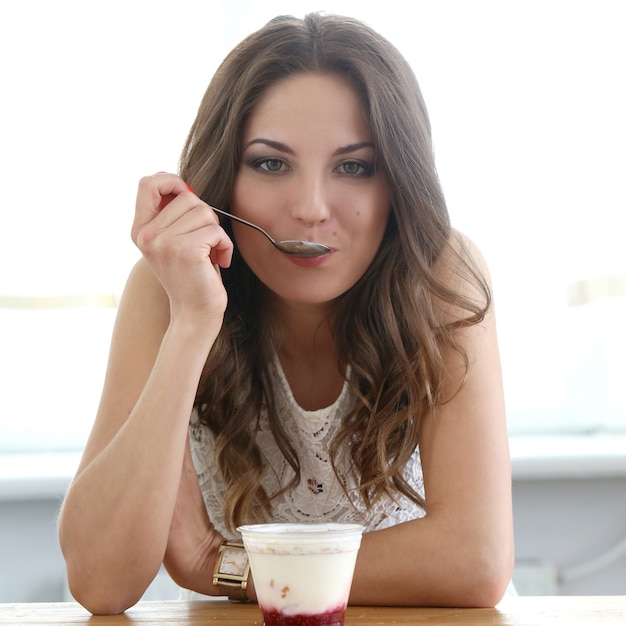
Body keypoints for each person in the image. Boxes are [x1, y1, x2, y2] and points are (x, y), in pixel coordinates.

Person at [58, 12, 514, 615]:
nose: (310, 208)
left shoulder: (441, 274)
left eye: (354, 166)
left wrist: (219, 564)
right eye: (271, 163)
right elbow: (100, 580)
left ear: (397, 182)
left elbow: (474, 561)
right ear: (224, 178)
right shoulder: (167, 288)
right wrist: (193, 324)